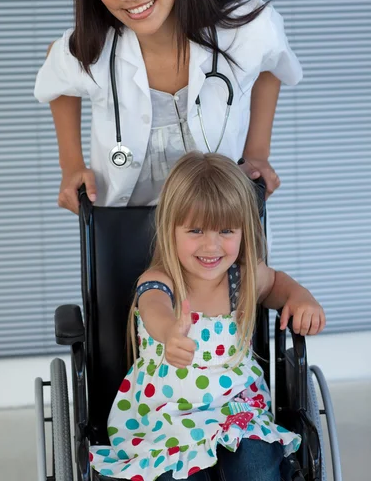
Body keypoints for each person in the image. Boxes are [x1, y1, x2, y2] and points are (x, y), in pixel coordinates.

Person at [34, 0, 303, 214]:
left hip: (222, 242)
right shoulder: (96, 48)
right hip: (126, 241)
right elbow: (57, 63)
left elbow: (271, 64)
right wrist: (70, 166)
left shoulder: (248, 29)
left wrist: (257, 152)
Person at [89, 151, 325, 481]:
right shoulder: (161, 280)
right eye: (196, 230)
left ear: (244, 231)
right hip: (170, 415)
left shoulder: (244, 279)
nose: (211, 246)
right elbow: (153, 307)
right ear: (170, 228)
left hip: (237, 409)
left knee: (257, 469)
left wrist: (301, 298)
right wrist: (170, 331)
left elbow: (279, 284)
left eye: (226, 231)